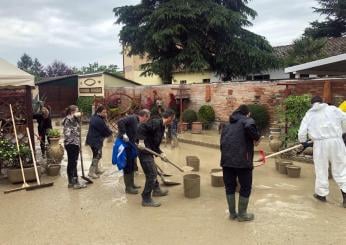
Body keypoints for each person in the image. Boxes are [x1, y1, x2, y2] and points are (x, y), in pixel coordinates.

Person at [298, 96, 346, 207]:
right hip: (337, 141)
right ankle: (345, 196)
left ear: (312, 104)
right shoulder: (333, 109)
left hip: (320, 144)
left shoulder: (309, 114)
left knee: (321, 169)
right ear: (322, 102)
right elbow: (345, 119)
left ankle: (321, 194)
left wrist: (303, 141)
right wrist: (342, 131)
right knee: (341, 168)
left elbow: (302, 132)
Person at [220, 105, 261, 222]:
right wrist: (256, 138)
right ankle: (242, 215)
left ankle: (232, 214)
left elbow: (222, 144)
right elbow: (250, 128)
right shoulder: (247, 120)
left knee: (229, 187)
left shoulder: (227, 125)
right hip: (243, 162)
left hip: (226, 161)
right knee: (245, 187)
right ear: (247, 114)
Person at [137, 109, 175, 207]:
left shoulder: (162, 126)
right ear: (170, 117)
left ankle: (156, 190)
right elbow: (141, 126)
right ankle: (146, 198)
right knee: (152, 174)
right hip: (144, 152)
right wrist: (141, 141)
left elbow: (154, 144)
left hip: (149, 150)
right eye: (173, 118)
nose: (173, 120)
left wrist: (161, 153)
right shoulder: (156, 122)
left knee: (154, 170)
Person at [117, 109, 151, 194]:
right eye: (147, 119)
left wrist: (139, 143)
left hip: (131, 145)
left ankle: (132, 184)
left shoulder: (138, 123)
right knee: (127, 166)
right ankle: (128, 188)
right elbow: (120, 122)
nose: (147, 121)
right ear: (144, 116)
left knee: (132, 165)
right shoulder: (132, 118)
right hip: (125, 146)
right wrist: (123, 134)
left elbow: (134, 133)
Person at [86, 105, 112, 179]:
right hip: (94, 140)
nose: (105, 113)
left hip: (95, 140)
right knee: (97, 155)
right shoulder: (98, 120)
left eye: (106, 112)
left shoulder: (97, 118)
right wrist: (111, 133)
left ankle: (96, 170)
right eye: (104, 112)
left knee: (98, 155)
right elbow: (105, 130)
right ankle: (91, 172)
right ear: (99, 112)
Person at [62, 105, 86, 189]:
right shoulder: (68, 118)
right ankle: (73, 182)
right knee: (72, 162)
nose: (78, 112)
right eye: (77, 110)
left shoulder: (74, 119)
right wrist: (77, 114)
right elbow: (73, 117)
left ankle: (74, 181)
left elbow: (77, 129)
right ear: (72, 112)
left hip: (74, 143)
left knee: (73, 162)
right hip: (71, 143)